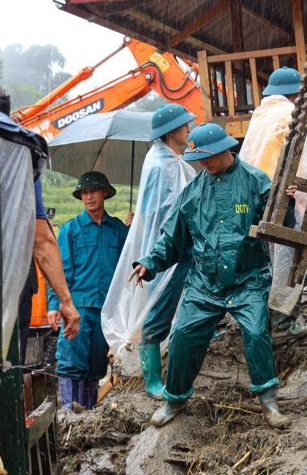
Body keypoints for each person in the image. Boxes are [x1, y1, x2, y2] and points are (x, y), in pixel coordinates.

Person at [129, 123, 296, 429]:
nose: (203, 163)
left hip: (249, 277)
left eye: (207, 156)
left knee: (257, 332)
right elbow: (172, 237)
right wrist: (149, 263)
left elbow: (279, 225)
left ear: (224, 149)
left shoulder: (256, 182)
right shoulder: (193, 192)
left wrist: (286, 202)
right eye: (199, 159)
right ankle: (175, 399)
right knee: (182, 335)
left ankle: (269, 402)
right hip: (204, 282)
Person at [0, 85, 80, 366]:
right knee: (7, 369)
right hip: (11, 279)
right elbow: (40, 240)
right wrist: (66, 301)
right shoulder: (21, 159)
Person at [100, 104, 197, 400]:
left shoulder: (174, 161)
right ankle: (152, 379)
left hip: (180, 246)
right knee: (156, 310)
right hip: (165, 249)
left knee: (179, 303)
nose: (189, 130)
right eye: (184, 126)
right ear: (171, 132)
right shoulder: (161, 165)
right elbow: (157, 212)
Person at [239, 67, 307, 345]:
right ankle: (284, 323)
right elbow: (302, 162)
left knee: (267, 262)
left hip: (258, 196)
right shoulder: (291, 114)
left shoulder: (260, 114)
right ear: (296, 93)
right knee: (292, 260)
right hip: (284, 194)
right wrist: (302, 198)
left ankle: (263, 321)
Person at [49, 171, 130, 410]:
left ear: (105, 192)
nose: (89, 196)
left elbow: (132, 261)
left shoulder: (118, 230)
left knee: (95, 366)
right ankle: (68, 415)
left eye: (93, 191)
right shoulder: (70, 230)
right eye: (84, 192)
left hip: (107, 310)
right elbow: (59, 272)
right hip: (77, 309)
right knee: (71, 363)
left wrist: (137, 228)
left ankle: (89, 415)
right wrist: (55, 305)